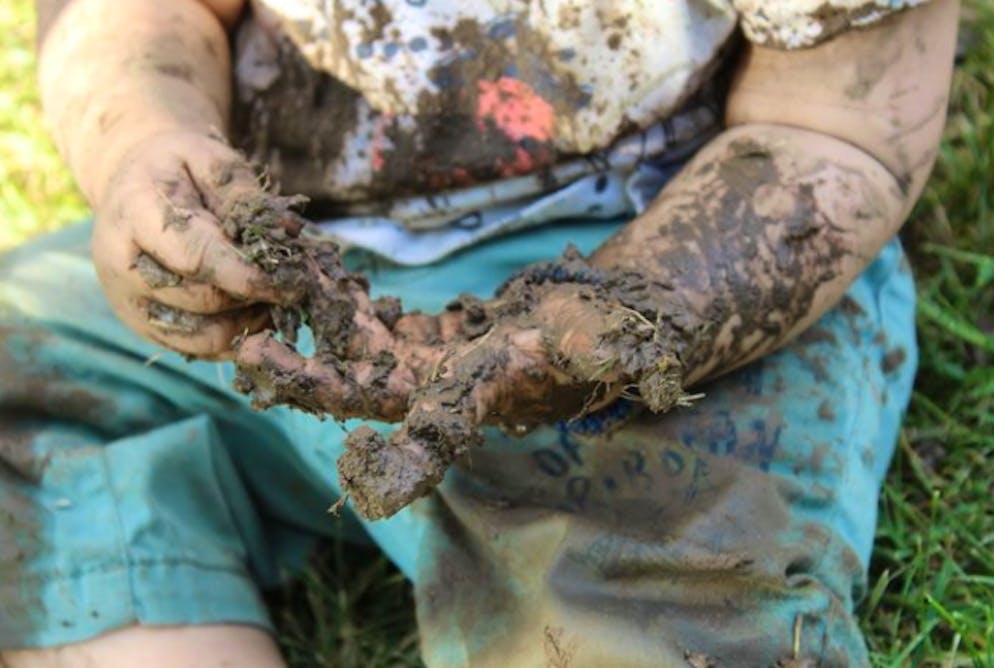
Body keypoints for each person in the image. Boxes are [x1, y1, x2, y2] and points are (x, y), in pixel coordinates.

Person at [0, 0, 959, 665]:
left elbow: (837, 127)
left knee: (658, 585)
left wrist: (619, 319)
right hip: (277, 263)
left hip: (676, 253)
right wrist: (142, 137)